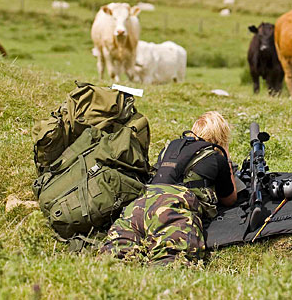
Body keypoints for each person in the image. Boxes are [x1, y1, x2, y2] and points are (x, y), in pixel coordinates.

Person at [100, 111, 237, 265]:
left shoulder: (170, 148)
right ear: (221, 137)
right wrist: (227, 162)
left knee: (112, 261)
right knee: (172, 265)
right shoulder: (215, 157)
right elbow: (230, 199)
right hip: (172, 211)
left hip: (139, 206)